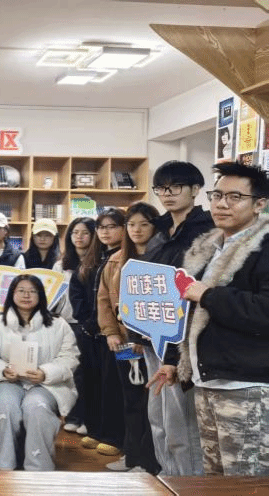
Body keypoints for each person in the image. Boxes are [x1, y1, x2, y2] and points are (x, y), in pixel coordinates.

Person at [153, 163, 269, 476]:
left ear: (259, 203)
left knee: (244, 480)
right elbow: (192, 314)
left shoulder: (263, 247)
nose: (221, 204)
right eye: (217, 195)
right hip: (208, 380)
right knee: (216, 478)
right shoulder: (208, 247)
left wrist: (208, 295)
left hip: (247, 384)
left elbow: (264, 311)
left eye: (235, 197)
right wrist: (176, 362)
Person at [142, 160, 213, 476]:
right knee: (158, 416)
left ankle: (188, 483)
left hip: (184, 337)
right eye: (161, 188)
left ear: (195, 189)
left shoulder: (208, 230)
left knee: (182, 420)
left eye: (175, 187)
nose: (167, 194)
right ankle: (166, 475)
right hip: (152, 332)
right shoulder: (158, 232)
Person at [0, 274, 79, 471]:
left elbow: (70, 357)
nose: (26, 295)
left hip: (46, 384)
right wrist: (3, 370)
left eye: (32, 291)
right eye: (21, 290)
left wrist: (45, 373)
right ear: (11, 294)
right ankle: (4, 464)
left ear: (41, 295)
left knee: (37, 407)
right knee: (4, 406)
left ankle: (38, 467)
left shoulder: (58, 324)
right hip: (8, 382)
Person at [97, 202, 161, 474]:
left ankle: (152, 461)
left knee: (154, 404)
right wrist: (111, 332)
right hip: (124, 343)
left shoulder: (164, 256)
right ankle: (133, 456)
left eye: (144, 224)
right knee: (130, 399)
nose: (137, 230)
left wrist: (144, 338)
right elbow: (103, 299)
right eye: (132, 224)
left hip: (155, 346)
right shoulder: (116, 260)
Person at [69, 208, 126, 457]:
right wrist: (86, 324)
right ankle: (96, 430)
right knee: (92, 383)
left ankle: (115, 436)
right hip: (90, 333)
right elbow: (78, 294)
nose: (105, 232)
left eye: (112, 226)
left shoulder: (126, 258)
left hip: (118, 336)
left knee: (116, 385)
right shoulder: (95, 258)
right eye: (101, 227)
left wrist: (99, 324)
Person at [53, 217, 96, 436]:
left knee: (88, 372)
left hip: (88, 323)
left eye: (85, 232)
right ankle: (72, 416)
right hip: (65, 322)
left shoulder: (97, 262)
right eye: (74, 232)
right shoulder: (61, 264)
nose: (79, 237)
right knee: (71, 373)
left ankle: (88, 417)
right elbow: (53, 295)